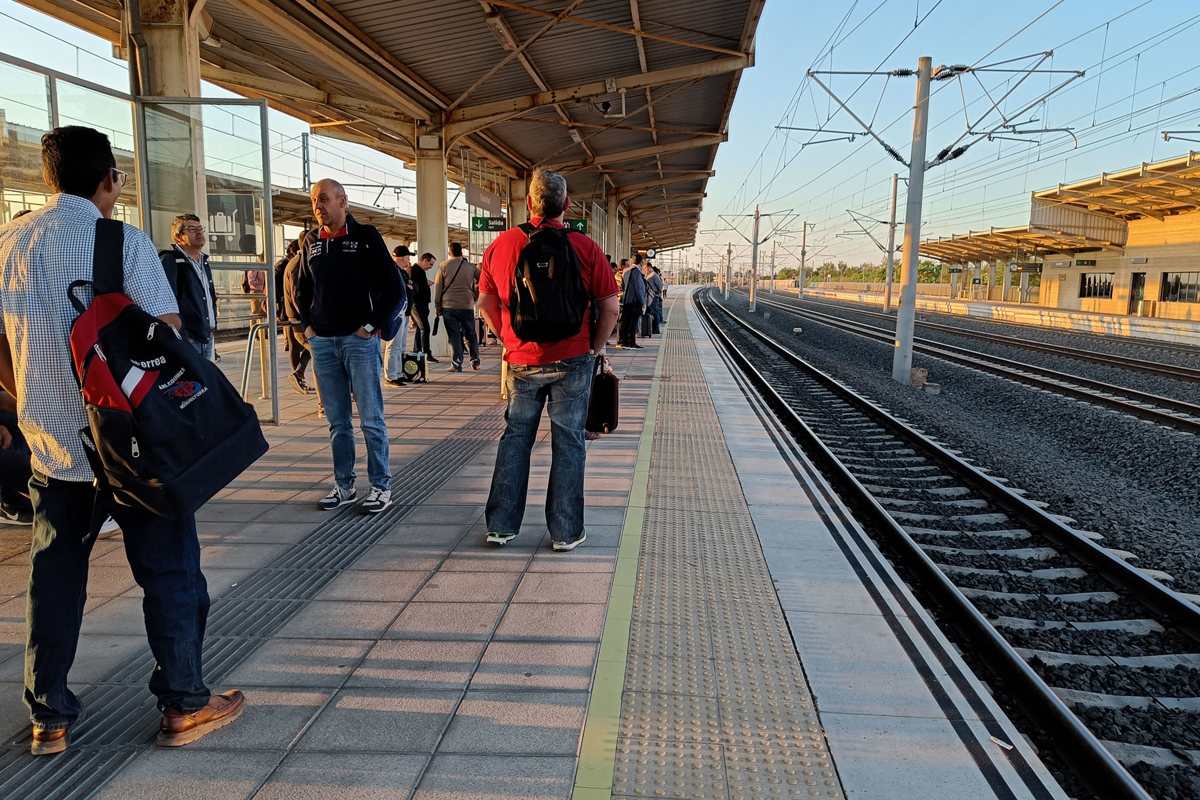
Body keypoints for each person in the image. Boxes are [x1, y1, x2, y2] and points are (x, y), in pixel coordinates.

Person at [0, 125, 243, 756]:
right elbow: (164, 334)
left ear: (50, 178)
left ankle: (48, 715)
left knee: (53, 579)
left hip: (54, 450)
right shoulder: (124, 243)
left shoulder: (11, 242)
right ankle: (185, 703)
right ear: (109, 179)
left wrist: (30, 393)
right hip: (134, 450)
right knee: (170, 571)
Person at [477, 168, 619, 552]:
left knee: (515, 439)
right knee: (569, 442)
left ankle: (502, 526)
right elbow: (609, 307)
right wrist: (595, 347)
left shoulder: (502, 245)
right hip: (573, 359)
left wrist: (507, 339)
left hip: (522, 360)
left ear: (528, 203)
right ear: (567, 206)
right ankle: (565, 532)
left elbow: (486, 303)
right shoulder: (585, 247)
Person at [294, 178, 402, 514]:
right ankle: (344, 485)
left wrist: (370, 326)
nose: (318, 206)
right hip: (323, 342)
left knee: (371, 418)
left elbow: (394, 289)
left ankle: (381, 486)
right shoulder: (310, 241)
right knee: (337, 422)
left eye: (324, 199)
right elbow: (300, 289)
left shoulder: (366, 237)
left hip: (358, 342)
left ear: (343, 201)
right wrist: (307, 328)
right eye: (314, 200)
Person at [160, 214, 218, 360]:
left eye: (200, 229)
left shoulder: (203, 261)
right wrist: (182, 333)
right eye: (192, 229)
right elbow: (165, 301)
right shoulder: (171, 260)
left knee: (207, 381)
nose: (199, 232)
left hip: (206, 335)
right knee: (191, 381)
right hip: (188, 338)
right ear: (179, 237)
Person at [274, 238, 315, 394]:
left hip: (294, 315)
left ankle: (299, 376)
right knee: (314, 347)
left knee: (306, 347)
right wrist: (305, 318)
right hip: (296, 316)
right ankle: (298, 375)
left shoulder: (297, 261)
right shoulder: (298, 264)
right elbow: (297, 293)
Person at [435, 242, 480, 372]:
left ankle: (456, 364)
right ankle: (475, 361)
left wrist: (438, 306)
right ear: (461, 252)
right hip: (467, 305)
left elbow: (438, 288)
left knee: (454, 336)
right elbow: (483, 280)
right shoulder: (471, 267)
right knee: (470, 333)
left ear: (449, 252)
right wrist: (475, 296)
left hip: (449, 306)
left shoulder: (443, 266)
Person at [383, 245, 414, 386]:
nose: (409, 259)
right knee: (393, 344)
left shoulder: (402, 272)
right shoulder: (390, 271)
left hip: (404, 312)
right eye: (408, 256)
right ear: (401, 257)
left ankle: (399, 372)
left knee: (400, 345)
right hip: (395, 313)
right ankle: (391, 375)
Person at [409, 252, 437, 361]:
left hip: (421, 304)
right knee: (425, 328)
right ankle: (425, 353)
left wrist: (425, 283)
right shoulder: (416, 270)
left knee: (421, 328)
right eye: (430, 264)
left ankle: (417, 351)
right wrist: (426, 284)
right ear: (424, 260)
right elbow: (416, 288)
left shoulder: (418, 271)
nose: (431, 267)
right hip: (418, 304)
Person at [617, 256, 646, 348]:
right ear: (641, 262)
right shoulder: (636, 272)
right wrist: (642, 302)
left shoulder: (626, 271)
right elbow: (638, 289)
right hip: (635, 301)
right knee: (633, 323)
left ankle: (624, 341)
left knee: (626, 321)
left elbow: (623, 286)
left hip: (627, 300)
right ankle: (631, 343)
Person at [642, 259, 664, 336]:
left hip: (654, 297)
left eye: (645, 268)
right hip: (649, 297)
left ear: (649, 267)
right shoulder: (648, 275)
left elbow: (660, 286)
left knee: (655, 312)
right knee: (651, 312)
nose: (644, 270)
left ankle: (656, 329)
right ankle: (650, 328)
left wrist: (656, 292)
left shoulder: (654, 275)